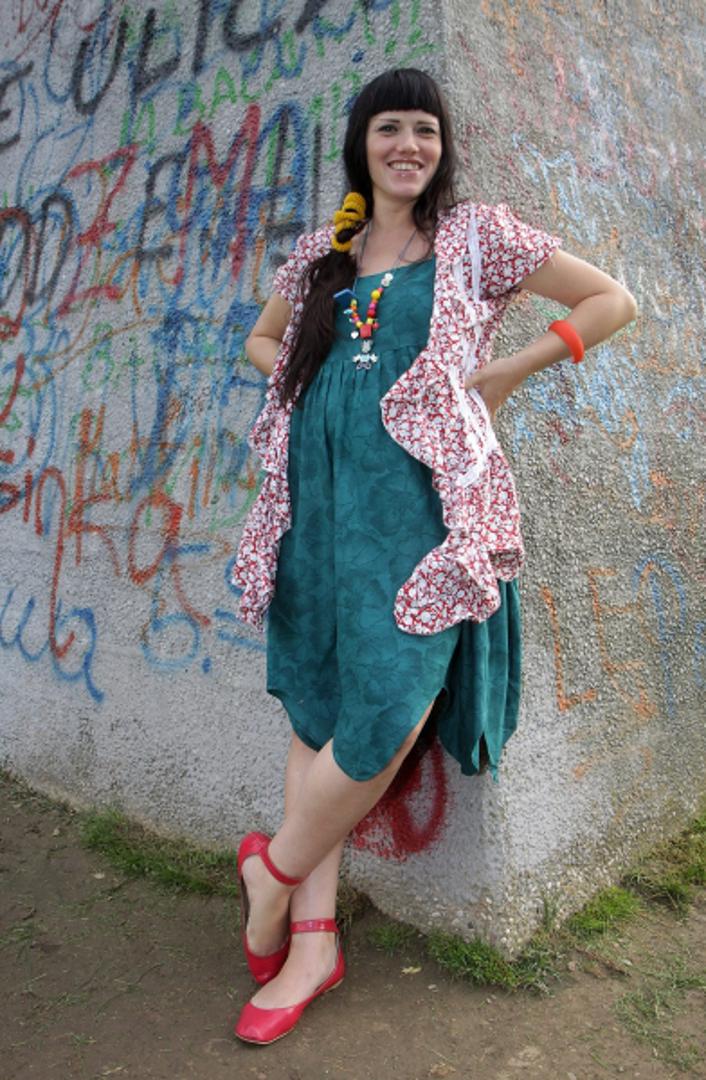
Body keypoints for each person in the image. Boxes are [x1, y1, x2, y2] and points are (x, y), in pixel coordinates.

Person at [231, 68, 637, 1044]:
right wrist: (309, 383)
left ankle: (271, 873)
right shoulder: (322, 254)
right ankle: (312, 944)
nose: (407, 144)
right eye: (389, 128)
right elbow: (259, 342)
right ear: (361, 145)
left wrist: (505, 372)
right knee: (319, 696)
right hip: (321, 497)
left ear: (442, 147)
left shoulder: (475, 237)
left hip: (419, 504)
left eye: (424, 129)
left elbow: (610, 301)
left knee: (390, 706)